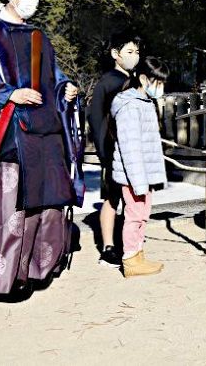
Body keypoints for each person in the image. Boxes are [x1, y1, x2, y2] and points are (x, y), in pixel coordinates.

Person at [0, 0, 83, 296]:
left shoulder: (38, 38)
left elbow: (52, 80)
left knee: (45, 209)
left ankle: (34, 272)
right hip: (8, 139)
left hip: (46, 137)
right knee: (8, 210)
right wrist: (8, 94)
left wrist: (65, 89)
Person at [86, 31, 141, 268]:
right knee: (112, 197)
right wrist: (103, 151)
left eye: (137, 52)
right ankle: (108, 247)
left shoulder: (136, 80)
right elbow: (96, 117)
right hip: (112, 148)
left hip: (134, 149)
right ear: (115, 54)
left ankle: (129, 244)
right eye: (129, 52)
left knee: (134, 197)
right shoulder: (107, 82)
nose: (134, 56)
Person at [111, 56, 168, 277]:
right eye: (158, 82)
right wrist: (138, 181)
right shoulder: (130, 106)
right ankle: (131, 259)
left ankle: (138, 254)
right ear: (144, 78)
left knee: (142, 215)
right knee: (134, 216)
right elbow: (130, 147)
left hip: (144, 174)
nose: (161, 88)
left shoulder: (144, 103)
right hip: (135, 175)